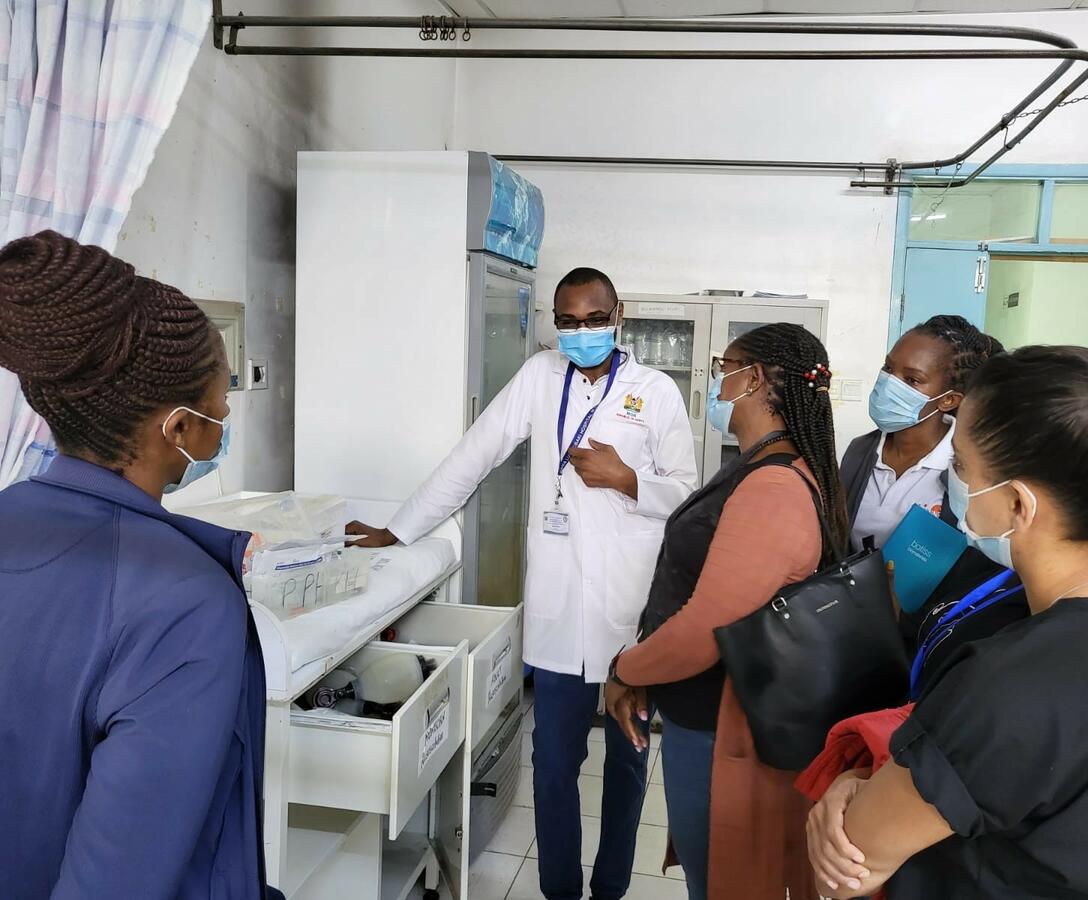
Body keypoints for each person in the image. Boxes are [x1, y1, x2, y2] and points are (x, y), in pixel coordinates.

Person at [350, 267, 698, 900]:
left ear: (617, 315)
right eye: (568, 321)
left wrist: (627, 479)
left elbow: (686, 494)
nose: (582, 330)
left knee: (627, 761)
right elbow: (474, 454)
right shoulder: (540, 378)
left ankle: (611, 888)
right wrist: (400, 531)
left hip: (634, 610)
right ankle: (561, 891)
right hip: (561, 609)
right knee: (554, 765)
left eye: (594, 318)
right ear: (554, 324)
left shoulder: (656, 391)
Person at [808, 345, 1088, 900]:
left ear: (1018, 504)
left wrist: (848, 785)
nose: (952, 484)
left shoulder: (1011, 680)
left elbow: (849, 864)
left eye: (961, 468)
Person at [0, 232, 279, 899]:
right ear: (178, 430)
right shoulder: (186, 602)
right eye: (222, 402)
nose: (226, 417)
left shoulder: (12, 514)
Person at [604, 323, 844, 900]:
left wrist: (625, 670)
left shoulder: (775, 487)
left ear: (754, 378)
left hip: (722, 725)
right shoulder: (761, 465)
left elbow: (705, 630)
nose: (717, 380)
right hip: (704, 714)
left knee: (718, 879)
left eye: (724, 367)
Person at [842, 315, 1001, 551]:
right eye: (888, 367)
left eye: (912, 379)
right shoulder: (860, 451)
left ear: (948, 399)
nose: (888, 383)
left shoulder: (970, 467)